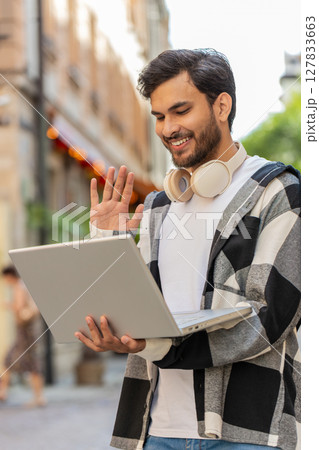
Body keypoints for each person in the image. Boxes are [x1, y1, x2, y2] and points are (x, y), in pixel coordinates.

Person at [75, 49, 300, 449]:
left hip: (245, 433)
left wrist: (157, 346)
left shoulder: (279, 193)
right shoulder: (162, 205)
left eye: (180, 111)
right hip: (155, 429)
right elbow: (134, 304)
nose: (168, 128)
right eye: (160, 116)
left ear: (221, 106)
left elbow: (266, 322)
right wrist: (106, 241)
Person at [0, 265, 46, 407]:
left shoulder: (19, 287)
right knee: (10, 359)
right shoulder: (24, 285)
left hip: (25, 332)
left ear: (9, 276)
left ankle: (39, 398)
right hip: (26, 331)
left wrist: (7, 305)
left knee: (30, 362)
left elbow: (19, 307)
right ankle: (3, 392)